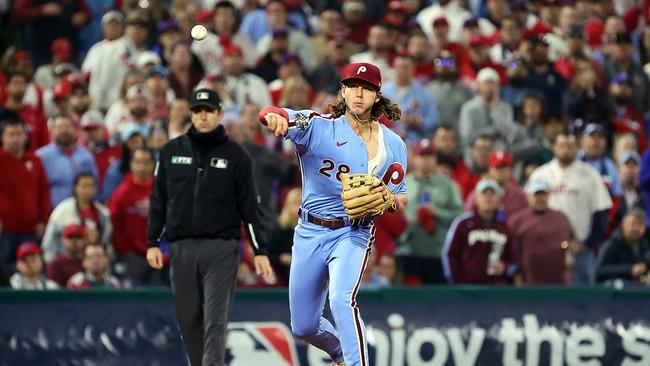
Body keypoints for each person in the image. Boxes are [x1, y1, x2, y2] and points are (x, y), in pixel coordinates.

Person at [258, 62, 408, 366]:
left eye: (366, 88)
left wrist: (388, 199)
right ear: (343, 90)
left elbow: (401, 196)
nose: (359, 93)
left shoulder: (393, 144)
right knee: (303, 326)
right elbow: (275, 113)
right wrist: (273, 117)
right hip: (310, 230)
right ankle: (340, 352)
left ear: (377, 95)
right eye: (353, 86)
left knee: (341, 299)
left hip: (353, 231)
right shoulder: (319, 126)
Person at [146, 88, 273, 366]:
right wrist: (152, 241)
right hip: (181, 245)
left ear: (220, 114)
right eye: (198, 111)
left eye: (209, 111)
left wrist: (259, 249)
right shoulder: (170, 152)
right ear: (191, 114)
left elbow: (250, 207)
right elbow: (158, 200)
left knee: (216, 315)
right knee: (188, 315)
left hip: (222, 246)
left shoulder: (237, 156)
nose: (203, 116)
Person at [528, 130, 612, 284]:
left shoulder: (591, 174)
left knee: (584, 300)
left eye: (570, 146)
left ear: (577, 146)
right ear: (554, 147)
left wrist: (587, 244)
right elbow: (529, 213)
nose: (566, 150)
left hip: (580, 250)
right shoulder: (540, 174)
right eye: (561, 146)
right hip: (545, 251)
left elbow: (600, 213)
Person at [442, 179, 517, 284]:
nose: (488, 197)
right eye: (484, 194)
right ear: (476, 198)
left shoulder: (506, 227)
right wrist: (456, 282)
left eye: (492, 194)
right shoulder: (463, 223)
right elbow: (450, 254)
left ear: (499, 199)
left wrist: (505, 268)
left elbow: (514, 260)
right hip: (466, 289)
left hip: (496, 289)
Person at [0, 118, 51, 270]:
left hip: (31, 229)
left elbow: (43, 191)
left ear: (25, 136)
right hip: (5, 231)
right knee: (5, 271)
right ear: (2, 137)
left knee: (34, 270)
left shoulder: (35, 160)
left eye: (19, 134)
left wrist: (43, 220)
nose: (15, 138)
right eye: (11, 134)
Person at [110, 147, 163, 286]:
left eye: (146, 162)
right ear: (131, 164)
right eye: (138, 162)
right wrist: (126, 251)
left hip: (159, 253)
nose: (142, 167)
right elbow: (115, 225)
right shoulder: (121, 193)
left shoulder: (163, 189)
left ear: (153, 164)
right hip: (132, 256)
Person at [508, 180, 575, 284]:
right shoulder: (517, 220)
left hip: (559, 279)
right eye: (536, 195)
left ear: (548, 196)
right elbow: (510, 251)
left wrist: (571, 252)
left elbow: (571, 242)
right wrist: (516, 276)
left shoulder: (561, 217)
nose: (540, 198)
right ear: (528, 197)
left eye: (543, 194)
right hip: (529, 280)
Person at [42, 172, 111, 262]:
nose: (87, 190)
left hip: (93, 262)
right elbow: (49, 241)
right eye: (84, 186)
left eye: (91, 186)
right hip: (66, 261)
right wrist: (51, 262)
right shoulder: (62, 211)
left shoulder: (102, 213)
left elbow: (106, 241)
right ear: (75, 188)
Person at [36, 114, 98, 207]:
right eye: (59, 127)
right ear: (52, 131)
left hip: (82, 211)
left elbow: (94, 183)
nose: (64, 130)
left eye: (67, 126)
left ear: (75, 130)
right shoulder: (41, 157)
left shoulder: (86, 155)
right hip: (53, 212)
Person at [596, 209, 650, 285]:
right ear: (623, 225)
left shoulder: (644, 244)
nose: (636, 228)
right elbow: (600, 270)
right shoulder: (612, 244)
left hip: (638, 288)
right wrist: (630, 270)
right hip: (615, 290)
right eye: (633, 224)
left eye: (640, 224)